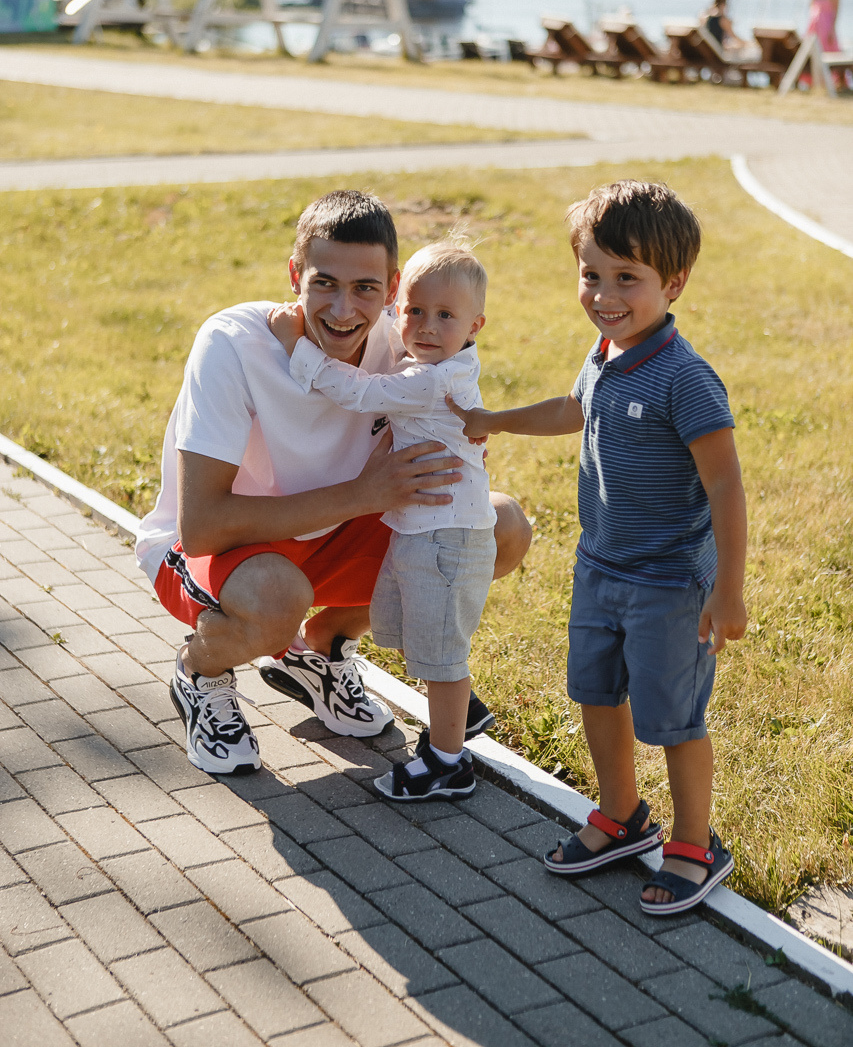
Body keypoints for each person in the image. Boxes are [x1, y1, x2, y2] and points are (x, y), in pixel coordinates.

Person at [135, 190, 531, 776]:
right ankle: (201, 672)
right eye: (325, 283)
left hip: (333, 533)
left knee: (498, 527)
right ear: (295, 274)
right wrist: (362, 495)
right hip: (222, 552)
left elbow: (451, 407)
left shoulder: (408, 338)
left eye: (365, 288)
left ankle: (324, 648)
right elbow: (201, 528)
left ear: (393, 289)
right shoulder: (234, 341)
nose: (344, 310)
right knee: (276, 598)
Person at [448, 180, 748, 915]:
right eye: (591, 274)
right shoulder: (607, 350)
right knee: (594, 692)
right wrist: (493, 418)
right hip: (600, 568)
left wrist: (728, 590)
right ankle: (621, 816)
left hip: (669, 584)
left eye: (626, 278)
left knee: (672, 718)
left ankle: (695, 843)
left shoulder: (685, 378)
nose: (604, 295)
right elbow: (572, 408)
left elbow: (726, 486)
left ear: (673, 284)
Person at [275, 237, 495, 801]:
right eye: (414, 310)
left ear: (476, 325)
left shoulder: (430, 380)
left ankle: (447, 761)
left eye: (445, 316)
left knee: (442, 657)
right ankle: (452, 716)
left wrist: (296, 345)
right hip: (425, 529)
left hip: (446, 537)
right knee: (418, 635)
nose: (424, 326)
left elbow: (356, 392)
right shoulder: (434, 360)